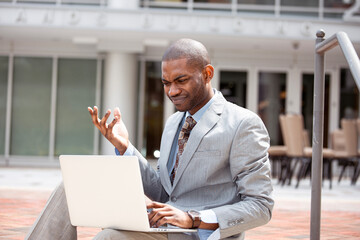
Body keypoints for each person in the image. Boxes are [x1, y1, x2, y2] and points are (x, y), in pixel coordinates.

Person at [26, 39, 273, 240]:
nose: (172, 91)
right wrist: (125, 147)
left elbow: (261, 206)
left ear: (207, 74)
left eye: (181, 80)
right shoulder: (173, 123)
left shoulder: (243, 124)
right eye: (166, 83)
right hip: (161, 225)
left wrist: (192, 218)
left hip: (196, 234)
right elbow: (163, 191)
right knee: (72, 185)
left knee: (108, 237)